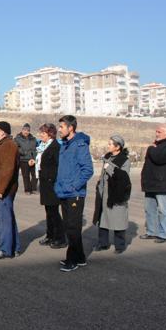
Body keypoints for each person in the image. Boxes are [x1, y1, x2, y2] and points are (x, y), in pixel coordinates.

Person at [54, 115, 94, 272]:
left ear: (71, 128)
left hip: (74, 193)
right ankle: (80, 257)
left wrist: (73, 186)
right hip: (64, 192)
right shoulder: (65, 144)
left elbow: (88, 170)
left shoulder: (79, 145)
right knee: (70, 226)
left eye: (62, 127)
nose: (59, 130)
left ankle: (72, 260)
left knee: (73, 228)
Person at [0, 121, 21, 259]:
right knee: (7, 218)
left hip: (3, 191)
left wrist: (0, 189)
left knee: (2, 220)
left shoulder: (8, 145)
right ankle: (13, 248)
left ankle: (5, 249)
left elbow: (7, 169)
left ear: (3, 132)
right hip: (4, 190)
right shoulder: (5, 144)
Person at [92, 135, 132, 253]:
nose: (108, 146)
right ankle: (103, 243)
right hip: (104, 193)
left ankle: (120, 245)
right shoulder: (107, 157)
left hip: (116, 194)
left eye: (110, 144)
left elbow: (123, 177)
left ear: (117, 146)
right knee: (103, 219)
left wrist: (109, 168)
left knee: (118, 219)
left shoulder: (125, 160)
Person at [140, 124, 166, 243]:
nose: (157, 134)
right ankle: (151, 232)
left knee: (163, 210)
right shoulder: (156, 145)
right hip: (150, 183)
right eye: (156, 131)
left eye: (159, 132)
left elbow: (158, 158)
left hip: (162, 184)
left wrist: (150, 149)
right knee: (149, 209)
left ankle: (163, 234)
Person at [33, 123, 65, 248]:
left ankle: (60, 238)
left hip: (52, 184)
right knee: (49, 212)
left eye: (43, 133)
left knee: (54, 212)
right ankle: (50, 235)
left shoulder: (55, 146)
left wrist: (51, 178)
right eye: (41, 132)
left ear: (50, 134)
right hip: (45, 183)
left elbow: (58, 166)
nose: (41, 135)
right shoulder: (43, 146)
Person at [15, 123, 37, 194]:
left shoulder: (33, 139)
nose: (26, 132)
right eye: (24, 130)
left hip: (33, 159)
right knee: (26, 175)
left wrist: (34, 158)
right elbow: (16, 148)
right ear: (22, 130)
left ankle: (33, 188)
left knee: (35, 175)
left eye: (28, 130)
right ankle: (27, 190)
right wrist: (23, 152)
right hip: (23, 159)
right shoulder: (17, 139)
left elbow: (35, 149)